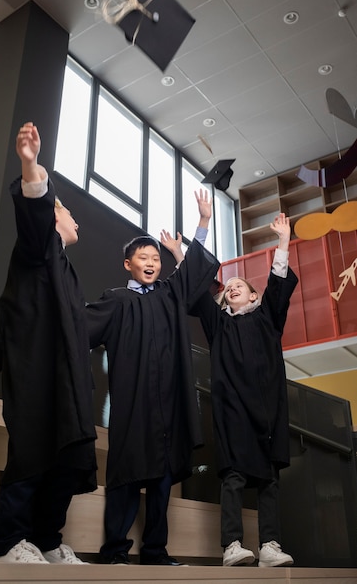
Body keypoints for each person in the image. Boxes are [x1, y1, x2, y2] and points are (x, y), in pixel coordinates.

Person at [85, 190, 219, 566]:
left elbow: (193, 272)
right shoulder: (115, 300)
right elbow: (77, 328)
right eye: (143, 257)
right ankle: (114, 550)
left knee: (162, 480)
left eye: (156, 258)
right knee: (126, 475)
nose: (151, 262)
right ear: (128, 264)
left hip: (168, 404)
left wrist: (203, 222)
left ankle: (156, 551)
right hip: (132, 404)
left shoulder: (168, 295)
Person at [163, 213, 297, 568]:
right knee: (234, 475)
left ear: (253, 294)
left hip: (268, 409)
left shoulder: (268, 316)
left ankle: (270, 545)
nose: (233, 287)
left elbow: (279, 283)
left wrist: (283, 240)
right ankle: (232, 545)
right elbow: (197, 290)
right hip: (233, 408)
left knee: (268, 478)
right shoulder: (219, 323)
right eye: (229, 287)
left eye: (241, 285)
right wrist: (182, 252)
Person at [0, 122, 97, 564]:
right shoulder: (39, 248)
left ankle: (47, 539)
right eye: (67, 211)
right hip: (36, 367)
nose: (75, 219)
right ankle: (11, 540)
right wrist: (31, 166)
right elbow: (35, 216)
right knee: (34, 445)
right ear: (55, 217)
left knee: (68, 455)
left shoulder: (66, 269)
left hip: (66, 375)